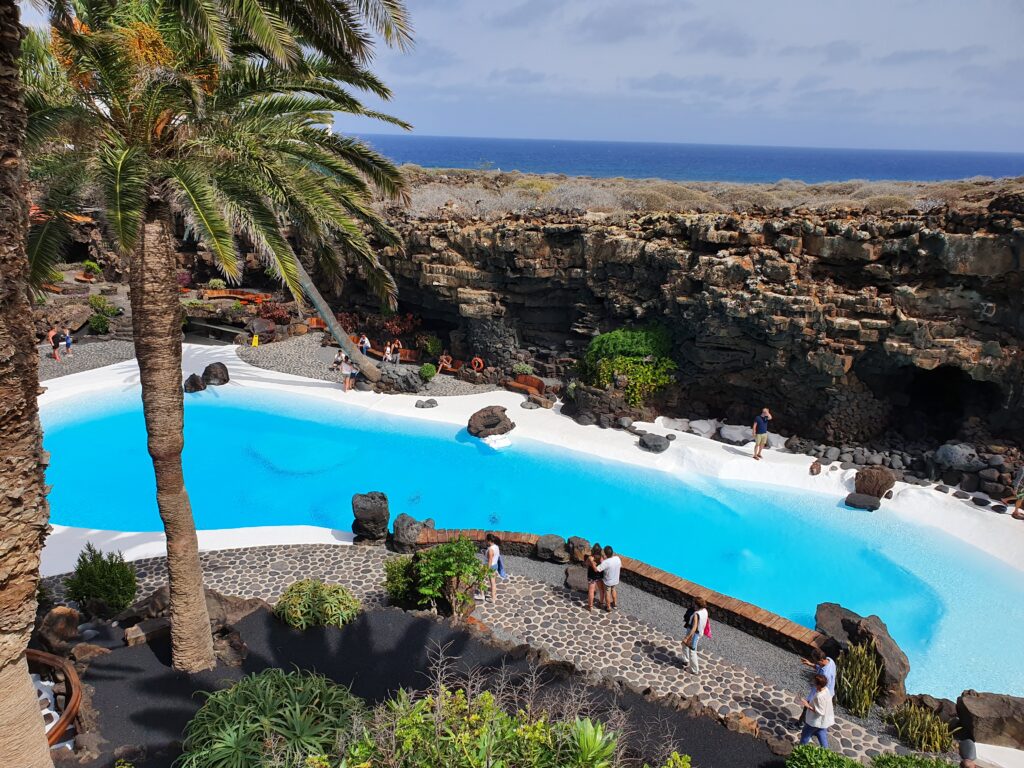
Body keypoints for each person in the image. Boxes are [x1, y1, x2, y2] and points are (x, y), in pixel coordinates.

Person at [799, 674, 835, 748]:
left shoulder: (819, 696)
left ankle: (800, 751)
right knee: (822, 735)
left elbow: (820, 712)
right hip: (823, 721)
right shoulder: (826, 689)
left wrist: (807, 705)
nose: (813, 684)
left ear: (818, 685)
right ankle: (826, 754)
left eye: (814, 683)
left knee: (805, 736)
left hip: (815, 722)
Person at [682, 597, 708, 672]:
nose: (693, 606)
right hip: (698, 633)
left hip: (693, 634)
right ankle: (685, 660)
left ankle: (694, 669)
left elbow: (694, 627)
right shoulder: (705, 611)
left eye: (694, 604)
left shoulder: (697, 614)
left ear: (697, 605)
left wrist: (687, 638)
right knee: (684, 645)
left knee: (692, 651)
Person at [594, 545, 621, 612]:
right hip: (615, 579)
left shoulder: (605, 562)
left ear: (605, 554)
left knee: (607, 593)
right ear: (612, 552)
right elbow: (621, 565)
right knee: (613, 589)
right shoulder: (617, 558)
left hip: (608, 581)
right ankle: (614, 604)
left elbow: (597, 569)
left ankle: (608, 607)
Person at [484, 533, 506, 603]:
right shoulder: (496, 547)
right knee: (493, 582)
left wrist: (487, 570)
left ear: (489, 540)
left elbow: (490, 560)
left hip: (491, 566)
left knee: (491, 582)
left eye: (486, 539)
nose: (485, 540)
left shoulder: (490, 549)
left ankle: (492, 598)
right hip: (495, 565)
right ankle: (494, 596)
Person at [584, 543, 605, 612]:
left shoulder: (591, 558)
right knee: (601, 589)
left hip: (592, 576)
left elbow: (587, 564)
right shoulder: (602, 557)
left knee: (591, 591)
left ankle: (590, 606)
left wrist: (591, 563)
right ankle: (601, 603)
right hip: (599, 576)